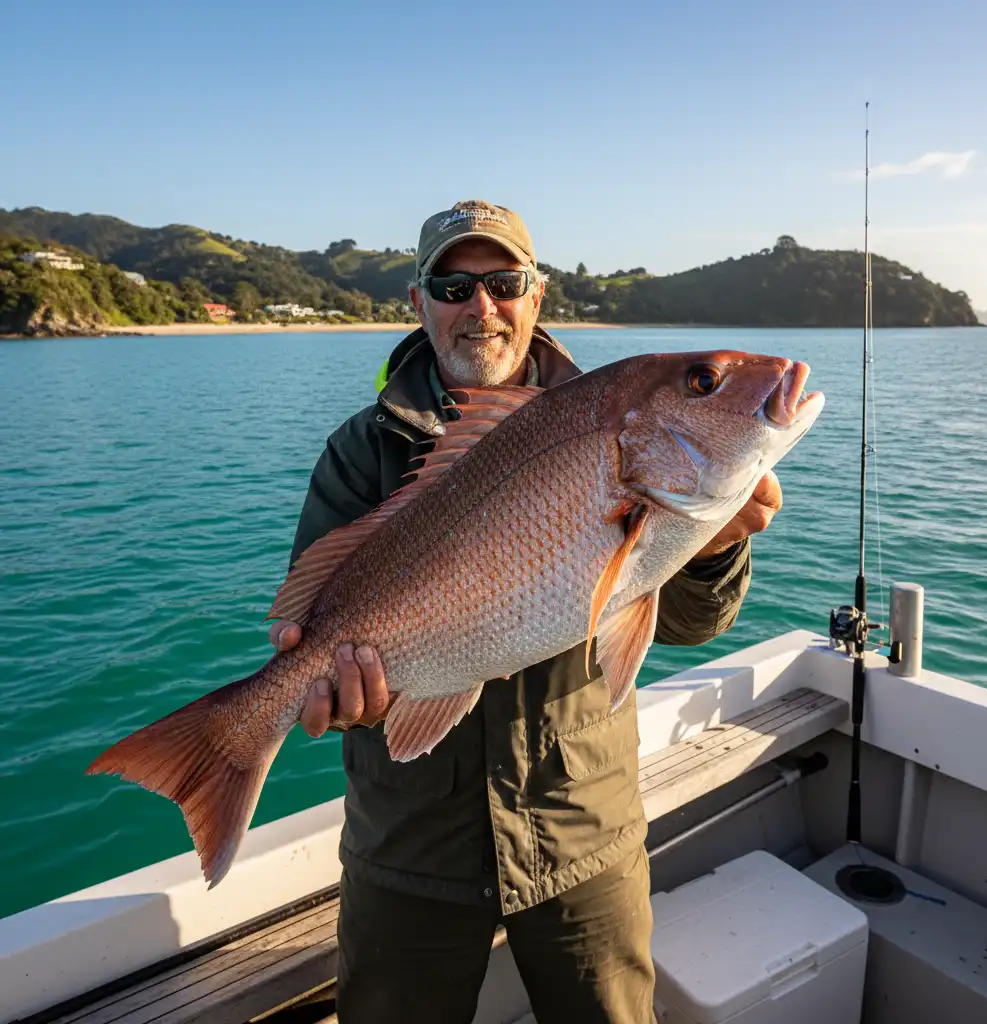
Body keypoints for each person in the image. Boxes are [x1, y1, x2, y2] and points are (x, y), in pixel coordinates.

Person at [269, 200, 783, 1023]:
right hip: (409, 852)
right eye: (453, 285)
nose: (481, 307)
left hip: (583, 833)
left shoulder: (604, 423)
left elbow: (687, 625)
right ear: (419, 302)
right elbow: (310, 636)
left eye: (504, 282)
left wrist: (716, 545)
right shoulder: (360, 451)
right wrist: (339, 699)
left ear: (536, 296)